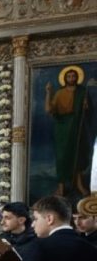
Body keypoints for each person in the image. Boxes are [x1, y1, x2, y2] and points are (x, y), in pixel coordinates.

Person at [45, 66, 95, 197]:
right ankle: (61, 187)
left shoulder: (82, 92)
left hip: (77, 127)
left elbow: (89, 112)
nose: (71, 78)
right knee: (62, 157)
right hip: (62, 128)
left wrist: (86, 106)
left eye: (73, 76)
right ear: (65, 78)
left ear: (77, 78)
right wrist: (49, 92)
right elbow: (49, 110)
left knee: (77, 155)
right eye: (69, 76)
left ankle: (79, 184)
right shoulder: (59, 93)